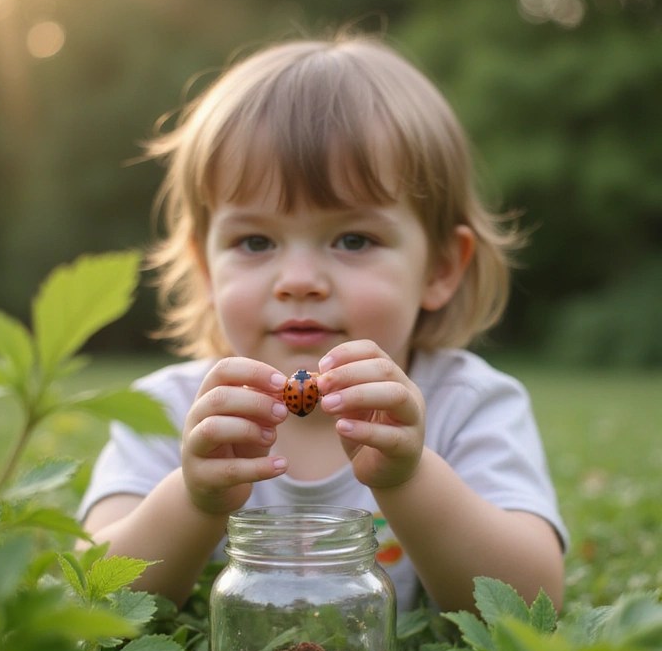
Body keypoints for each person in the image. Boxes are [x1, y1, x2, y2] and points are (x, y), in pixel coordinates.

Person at [79, 33, 567, 614]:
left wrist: (409, 481)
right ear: (206, 266)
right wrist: (194, 499)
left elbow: (536, 603)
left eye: (353, 239)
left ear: (440, 267)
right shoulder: (170, 411)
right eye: (255, 241)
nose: (299, 279)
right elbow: (92, 599)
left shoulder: (468, 404)